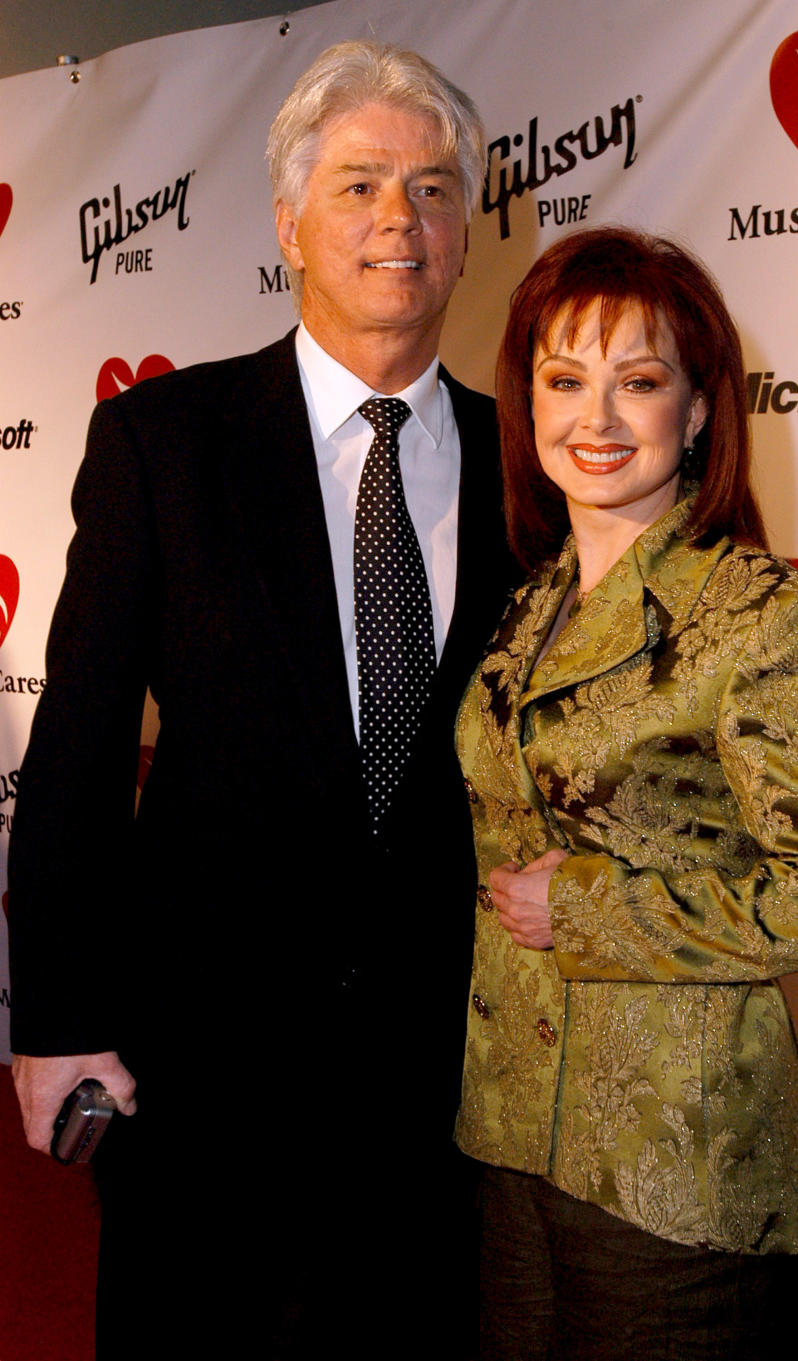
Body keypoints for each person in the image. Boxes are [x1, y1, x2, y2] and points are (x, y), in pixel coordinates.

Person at [8, 41, 513, 1358]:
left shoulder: (541, 469)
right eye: (358, 186)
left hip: (453, 1084)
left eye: (435, 188)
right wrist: (57, 1020)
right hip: (205, 1074)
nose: (400, 220)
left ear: (468, 231)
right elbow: (75, 740)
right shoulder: (162, 444)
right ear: (287, 221)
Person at [455, 227, 798, 1360]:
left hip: (676, 1155)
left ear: (699, 410)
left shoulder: (756, 610)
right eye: (564, 380)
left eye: (639, 381)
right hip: (508, 1132)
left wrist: (596, 908)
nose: (595, 418)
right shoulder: (527, 600)